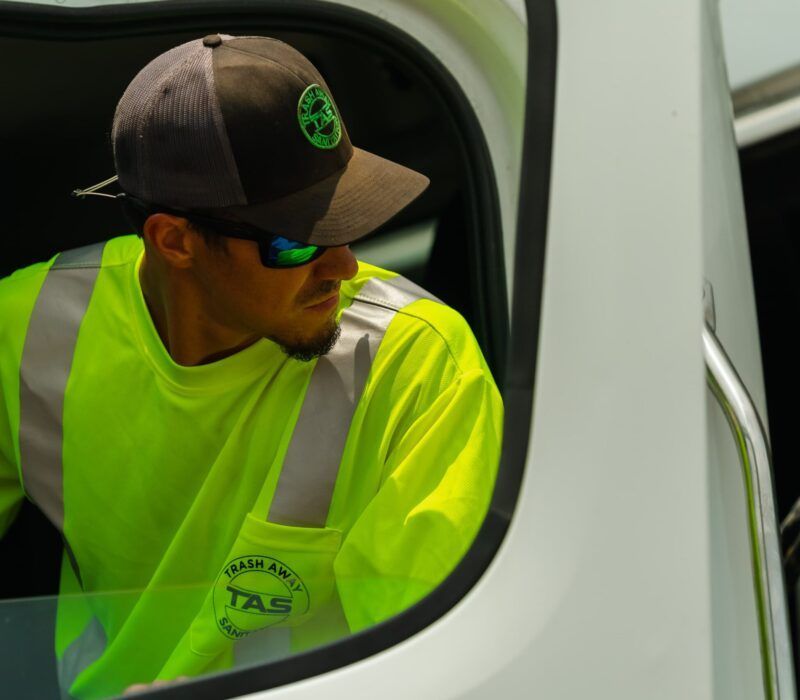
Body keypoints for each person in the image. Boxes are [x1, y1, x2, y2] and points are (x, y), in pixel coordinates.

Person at [0, 34, 502, 699]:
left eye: (346, 218)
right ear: (174, 241)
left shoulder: (417, 362)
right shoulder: (27, 328)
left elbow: (449, 662)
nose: (344, 265)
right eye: (297, 241)